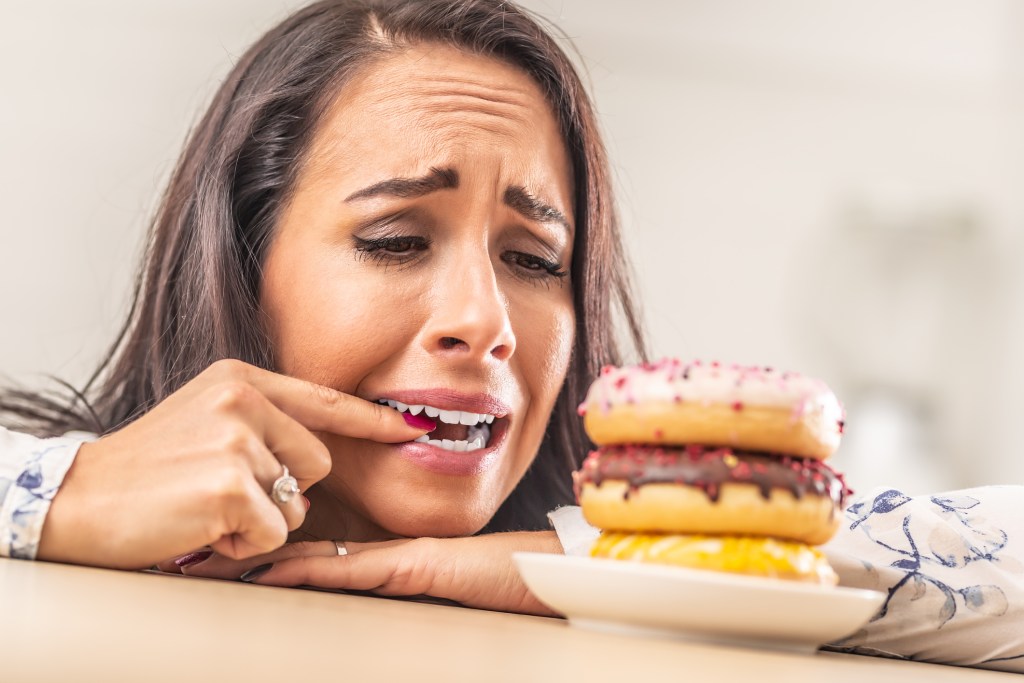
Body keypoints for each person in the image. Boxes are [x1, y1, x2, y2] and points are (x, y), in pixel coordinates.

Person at [0, 0, 1021, 672]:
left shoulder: (621, 612)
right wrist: (65, 493)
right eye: (397, 238)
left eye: (535, 259)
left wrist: (589, 566)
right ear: (239, 261)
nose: (486, 324)